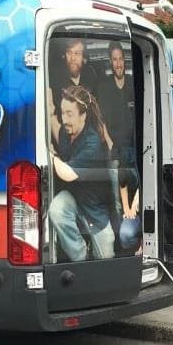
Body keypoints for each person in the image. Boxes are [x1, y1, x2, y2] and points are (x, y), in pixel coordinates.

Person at [48, 85, 114, 261]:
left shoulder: (92, 143)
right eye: (63, 113)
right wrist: (49, 103)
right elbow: (55, 123)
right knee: (56, 209)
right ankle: (80, 257)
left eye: (70, 114)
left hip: (95, 209)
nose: (65, 119)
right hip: (75, 198)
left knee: (106, 261)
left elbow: (67, 174)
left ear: (83, 115)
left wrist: (50, 154)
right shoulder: (66, 131)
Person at [97, 41, 140, 250]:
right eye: (114, 59)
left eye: (120, 58)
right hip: (115, 150)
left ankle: (136, 238)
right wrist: (109, 140)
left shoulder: (133, 83)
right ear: (110, 62)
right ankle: (120, 246)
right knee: (116, 197)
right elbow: (100, 117)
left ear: (125, 60)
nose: (118, 63)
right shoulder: (104, 86)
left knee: (139, 190)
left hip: (135, 150)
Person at [48, 38, 98, 142]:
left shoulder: (91, 78)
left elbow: (96, 114)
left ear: (84, 58)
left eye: (77, 53)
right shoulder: (55, 81)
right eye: (69, 52)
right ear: (64, 55)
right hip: (62, 142)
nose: (72, 58)